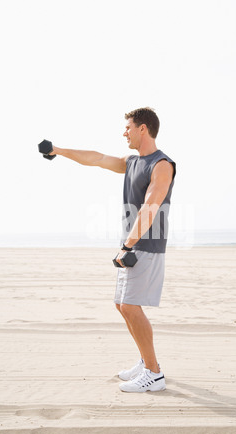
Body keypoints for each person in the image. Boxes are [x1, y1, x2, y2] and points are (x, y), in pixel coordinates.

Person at [48, 107, 176, 393]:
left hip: (146, 245)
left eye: (128, 127)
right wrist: (59, 150)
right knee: (123, 305)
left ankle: (154, 374)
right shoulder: (132, 162)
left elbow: (151, 207)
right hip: (130, 245)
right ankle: (146, 363)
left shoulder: (162, 164)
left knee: (130, 306)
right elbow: (96, 158)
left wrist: (128, 244)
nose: (124, 132)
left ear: (143, 128)